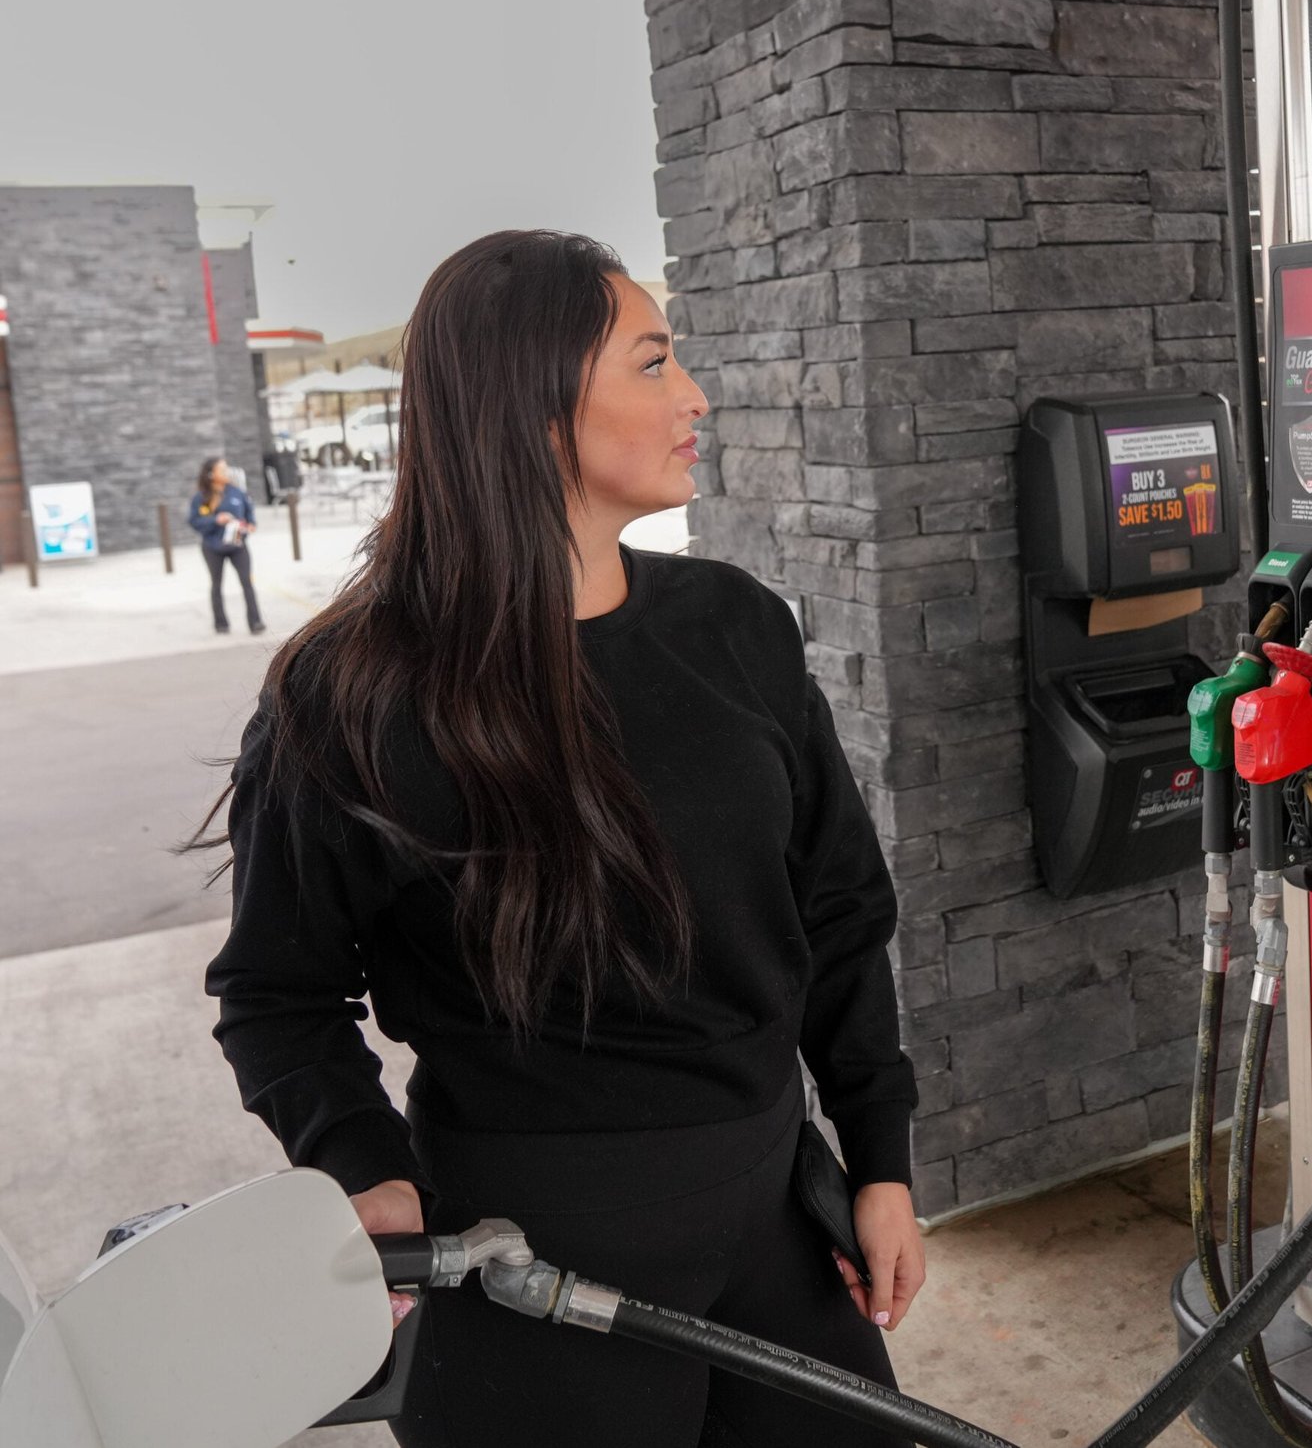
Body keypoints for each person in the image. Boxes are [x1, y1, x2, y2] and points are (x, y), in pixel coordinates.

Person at [196, 231, 922, 1446]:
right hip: (522, 1251)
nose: (695, 395)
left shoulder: (737, 626)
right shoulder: (354, 697)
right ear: (533, 414)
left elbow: (840, 908)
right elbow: (276, 992)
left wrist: (881, 1153)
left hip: (773, 1211)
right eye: (654, 362)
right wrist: (365, 1163)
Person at [188, 457, 264, 635]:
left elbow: (249, 514)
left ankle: (255, 622)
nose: (226, 472)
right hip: (212, 547)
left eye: (226, 468)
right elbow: (194, 521)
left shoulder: (237, 492)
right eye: (222, 470)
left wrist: (250, 525)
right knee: (216, 584)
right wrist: (215, 520)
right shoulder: (201, 497)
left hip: (238, 546)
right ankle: (221, 624)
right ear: (211, 474)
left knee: (247, 582)